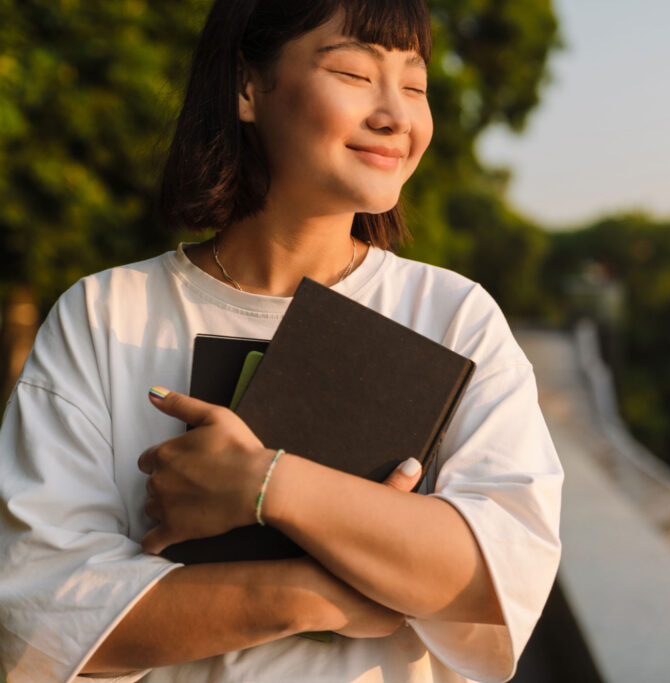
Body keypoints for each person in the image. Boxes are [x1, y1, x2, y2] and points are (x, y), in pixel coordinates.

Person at [0, 1, 562, 681]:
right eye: (355, 72)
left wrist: (263, 484)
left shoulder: (452, 315)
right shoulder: (105, 315)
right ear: (247, 87)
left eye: (415, 85)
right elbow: (38, 616)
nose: (396, 115)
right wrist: (312, 592)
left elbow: (499, 572)